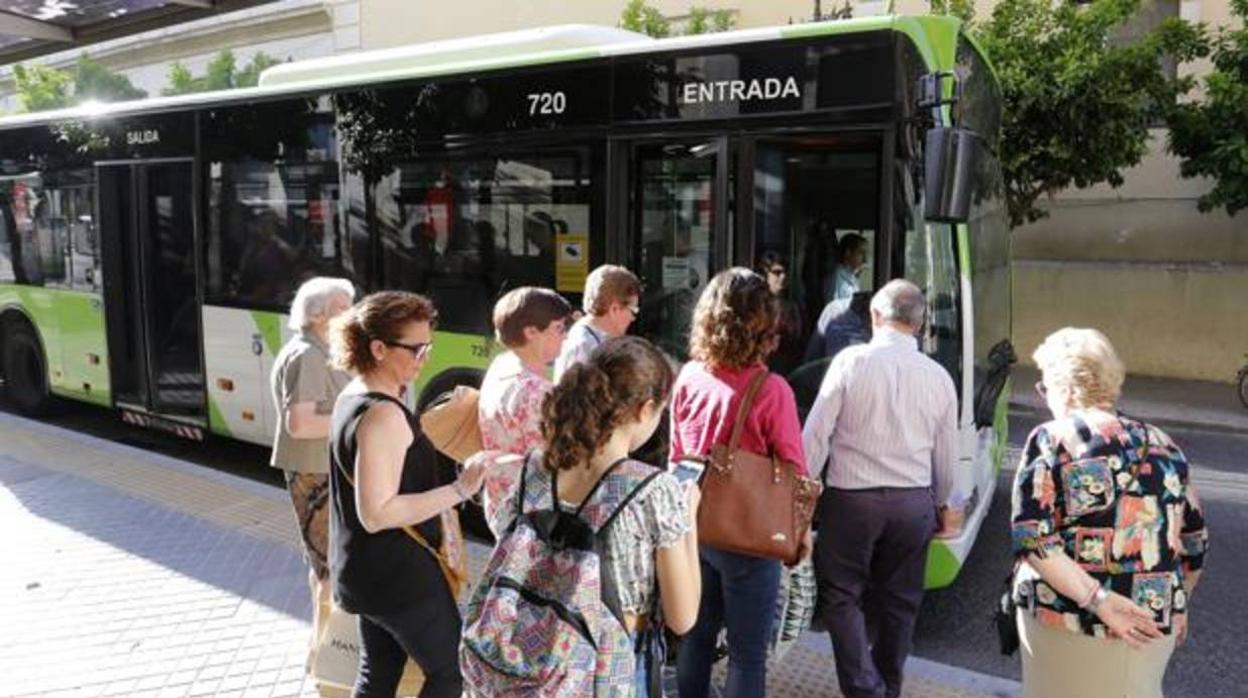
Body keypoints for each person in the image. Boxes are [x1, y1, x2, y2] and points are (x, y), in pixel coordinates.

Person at [474, 336, 703, 695]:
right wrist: (686, 515)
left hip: (528, 656)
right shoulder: (655, 491)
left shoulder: (537, 464)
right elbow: (683, 616)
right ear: (645, 410)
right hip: (610, 668)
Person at [1010, 328, 1208, 698]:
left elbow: (1032, 537)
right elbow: (1194, 540)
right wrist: (1177, 600)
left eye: (1045, 389)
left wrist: (1098, 600)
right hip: (1151, 622)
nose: (1045, 398)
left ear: (1066, 388)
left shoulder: (1053, 438)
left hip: (1068, 622)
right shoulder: (1163, 444)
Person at [326, 291, 491, 698]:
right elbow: (377, 512)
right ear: (378, 348)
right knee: (453, 674)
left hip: (363, 569)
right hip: (398, 575)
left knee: (377, 675)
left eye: (428, 347)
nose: (426, 358)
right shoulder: (383, 414)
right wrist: (460, 488)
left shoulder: (353, 397)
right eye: (417, 349)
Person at [801, 279, 959, 698]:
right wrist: (945, 502)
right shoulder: (940, 377)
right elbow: (946, 453)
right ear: (920, 324)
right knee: (902, 601)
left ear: (874, 315)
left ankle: (863, 688)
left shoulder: (850, 363)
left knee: (840, 596)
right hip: (912, 504)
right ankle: (888, 685)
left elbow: (816, 435)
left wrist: (802, 489)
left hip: (851, 501)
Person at [671, 268, 808, 698]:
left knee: (695, 636)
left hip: (692, 527)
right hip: (747, 537)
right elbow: (793, 470)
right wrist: (803, 536)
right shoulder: (773, 390)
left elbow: (676, 450)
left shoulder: (690, 376)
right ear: (765, 324)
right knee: (748, 655)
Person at [269, 276, 355, 669]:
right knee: (327, 568)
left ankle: (319, 648)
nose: (353, 313)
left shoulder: (320, 350)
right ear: (318, 315)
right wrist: (357, 412)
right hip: (314, 470)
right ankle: (326, 655)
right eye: (343, 307)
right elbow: (300, 423)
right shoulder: (308, 356)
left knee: (322, 565)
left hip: (323, 467)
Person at [478, 286, 573, 509]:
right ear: (530, 332)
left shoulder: (501, 365)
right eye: (558, 328)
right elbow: (558, 459)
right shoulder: (538, 392)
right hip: (534, 511)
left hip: (499, 499)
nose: (564, 335)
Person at [553, 264, 642, 381]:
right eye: (633, 310)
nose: (633, 318)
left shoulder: (596, 339)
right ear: (614, 309)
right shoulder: (584, 347)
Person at [757, 251, 806, 376]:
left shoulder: (792, 307)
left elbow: (799, 341)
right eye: (777, 273)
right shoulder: (755, 306)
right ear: (765, 274)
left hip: (787, 369)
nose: (782, 277)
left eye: (785, 273)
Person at [827, 233, 868, 302]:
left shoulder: (851, 276)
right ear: (848, 252)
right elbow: (834, 309)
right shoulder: (835, 278)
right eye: (861, 253)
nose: (865, 259)